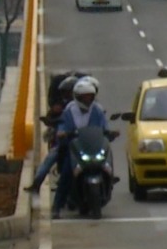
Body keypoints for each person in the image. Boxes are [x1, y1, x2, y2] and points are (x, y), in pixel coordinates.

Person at [26, 77, 108, 219]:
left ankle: (107, 185)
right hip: (75, 148)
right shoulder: (69, 110)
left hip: (92, 146)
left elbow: (104, 126)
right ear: (77, 97)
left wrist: (109, 133)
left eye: (90, 97)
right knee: (66, 174)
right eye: (85, 97)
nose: (88, 100)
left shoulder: (97, 110)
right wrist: (62, 132)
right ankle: (56, 206)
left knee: (107, 164)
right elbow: (62, 125)